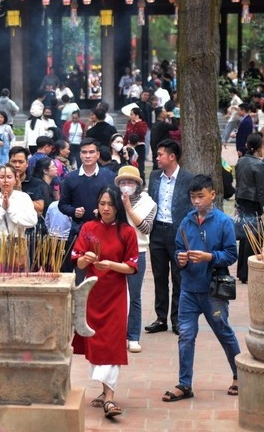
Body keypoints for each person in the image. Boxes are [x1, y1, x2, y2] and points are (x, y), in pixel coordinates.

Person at [162, 175, 240, 402]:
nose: (196, 201)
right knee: (185, 335)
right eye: (193, 197)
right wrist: (181, 258)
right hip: (188, 288)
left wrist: (209, 257)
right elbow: (177, 249)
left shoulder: (224, 222)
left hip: (213, 290)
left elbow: (231, 255)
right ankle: (184, 384)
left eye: (200, 196)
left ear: (212, 194)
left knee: (223, 331)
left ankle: (239, 375)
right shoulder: (186, 221)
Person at [72, 186, 139, 419]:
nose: (106, 208)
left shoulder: (126, 232)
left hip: (117, 294)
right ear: (97, 205)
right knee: (97, 342)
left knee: (113, 342)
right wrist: (86, 258)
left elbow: (131, 267)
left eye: (110, 204)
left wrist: (109, 264)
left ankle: (109, 399)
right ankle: (104, 391)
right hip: (93, 294)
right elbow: (78, 263)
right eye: (102, 203)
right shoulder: (89, 229)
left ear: (117, 206)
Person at [146, 139, 194, 335]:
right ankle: (160, 318)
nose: (157, 158)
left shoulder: (188, 178)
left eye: (160, 155)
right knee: (159, 277)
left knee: (178, 277)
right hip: (157, 231)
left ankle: (177, 319)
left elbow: (192, 207)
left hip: (178, 234)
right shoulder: (155, 176)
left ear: (172, 157)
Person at [58, 139, 116, 278]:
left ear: (98, 154)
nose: (87, 156)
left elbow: (117, 203)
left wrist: (104, 211)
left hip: (106, 230)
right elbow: (62, 205)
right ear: (80, 154)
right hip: (80, 231)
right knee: (80, 275)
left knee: (105, 274)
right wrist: (74, 211)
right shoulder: (70, 178)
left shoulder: (109, 177)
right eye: (84, 152)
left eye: (91, 152)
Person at [115, 166, 157, 354]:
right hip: (115, 252)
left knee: (134, 296)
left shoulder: (148, 203)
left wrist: (129, 209)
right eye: (123, 183)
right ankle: (116, 334)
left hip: (137, 252)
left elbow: (146, 228)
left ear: (137, 185)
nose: (126, 186)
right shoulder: (113, 200)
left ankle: (133, 336)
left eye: (130, 182)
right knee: (114, 294)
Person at [234, 133, 264, 284]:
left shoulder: (241, 161)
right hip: (254, 202)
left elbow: (238, 183)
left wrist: (236, 203)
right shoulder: (259, 165)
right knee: (254, 238)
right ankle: (249, 273)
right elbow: (262, 191)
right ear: (260, 147)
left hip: (242, 200)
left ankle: (242, 272)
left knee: (244, 236)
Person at [0, 164, 37, 235]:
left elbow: (32, 221)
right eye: (1, 177)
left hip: (17, 243)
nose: (5, 180)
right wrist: (2, 209)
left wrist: (10, 209)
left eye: (9, 177)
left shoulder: (23, 197)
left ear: (15, 179)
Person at [123, 107, 148, 184]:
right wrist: (124, 144)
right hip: (130, 146)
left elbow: (142, 133)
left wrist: (137, 123)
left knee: (140, 165)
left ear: (136, 115)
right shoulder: (129, 123)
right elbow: (127, 134)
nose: (130, 116)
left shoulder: (142, 124)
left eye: (132, 114)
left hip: (139, 146)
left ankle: (141, 182)